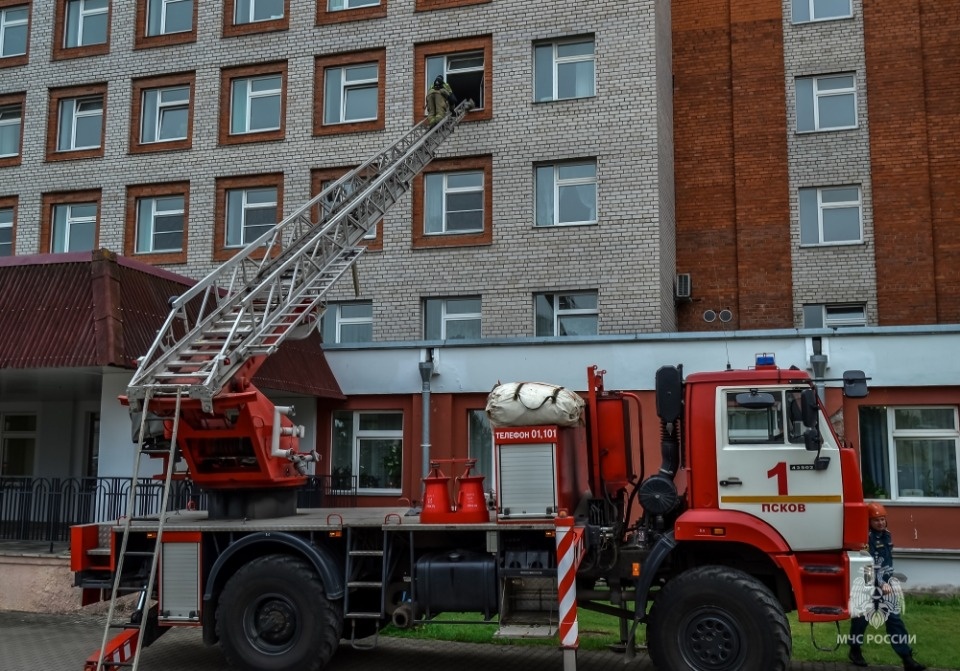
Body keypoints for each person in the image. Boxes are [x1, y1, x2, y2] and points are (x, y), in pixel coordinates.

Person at [848, 502, 925, 670]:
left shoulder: (887, 535)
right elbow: (869, 565)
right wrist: (880, 583)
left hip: (886, 585)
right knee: (861, 620)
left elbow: (886, 562)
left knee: (895, 620)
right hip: (868, 583)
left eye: (882, 519)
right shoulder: (866, 538)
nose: (880, 523)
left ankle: (907, 659)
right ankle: (855, 649)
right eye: (876, 520)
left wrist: (887, 581)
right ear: (868, 522)